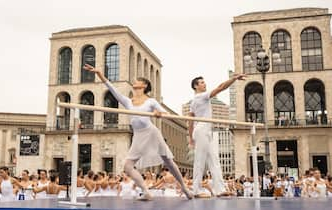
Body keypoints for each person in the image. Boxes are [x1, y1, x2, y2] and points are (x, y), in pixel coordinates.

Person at [83, 64, 193, 201]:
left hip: (151, 132)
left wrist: (159, 113)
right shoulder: (128, 101)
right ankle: (146, 191)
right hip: (139, 135)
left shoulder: (150, 101)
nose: (134, 82)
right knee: (128, 167)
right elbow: (112, 89)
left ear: (144, 86)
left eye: (137, 81)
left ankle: (183, 186)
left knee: (168, 161)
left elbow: (165, 113)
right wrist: (99, 73)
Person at [188, 74, 246, 197]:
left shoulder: (193, 102)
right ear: (195, 86)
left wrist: (191, 137)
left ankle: (219, 189)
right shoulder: (201, 96)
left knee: (214, 160)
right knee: (200, 160)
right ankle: (196, 190)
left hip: (204, 130)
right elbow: (220, 87)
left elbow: (190, 120)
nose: (205, 84)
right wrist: (234, 79)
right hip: (202, 129)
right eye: (202, 82)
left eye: (204, 82)